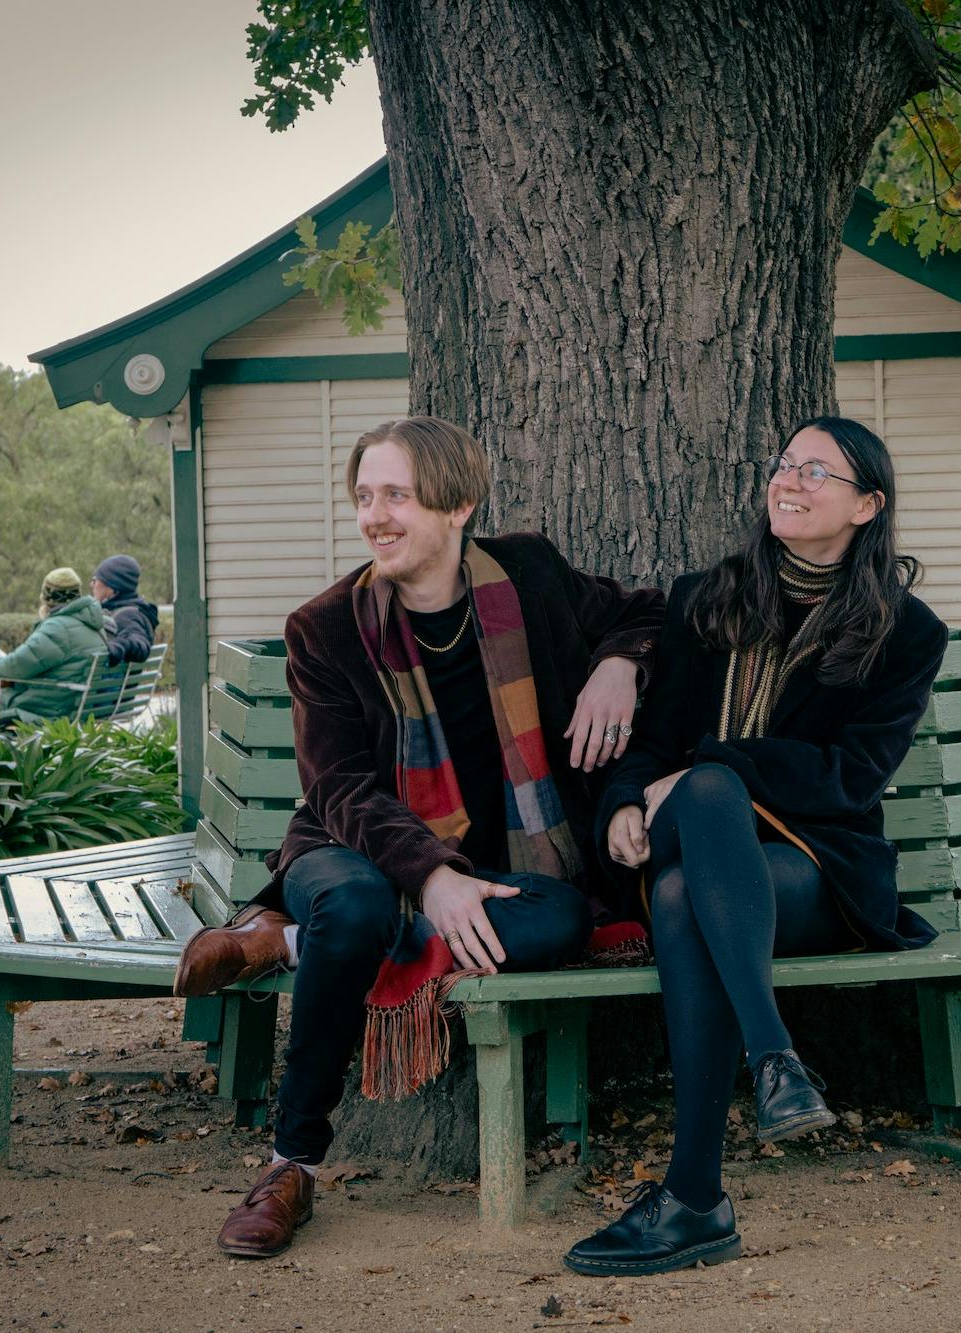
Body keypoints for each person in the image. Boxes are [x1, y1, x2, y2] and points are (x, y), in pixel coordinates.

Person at [171, 416, 664, 1259]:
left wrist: (621, 661)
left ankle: (291, 943)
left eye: (396, 494)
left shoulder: (530, 575)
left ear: (458, 503)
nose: (375, 516)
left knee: (561, 919)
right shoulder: (325, 629)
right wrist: (432, 873)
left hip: (500, 866)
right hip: (348, 845)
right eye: (365, 497)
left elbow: (648, 613)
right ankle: (292, 1163)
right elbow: (338, 788)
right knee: (358, 901)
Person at [563, 416, 949, 1277]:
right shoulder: (708, 597)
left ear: (867, 505)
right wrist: (627, 796)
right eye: (784, 464)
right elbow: (655, 740)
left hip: (813, 868)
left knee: (679, 890)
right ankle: (776, 1058)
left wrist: (717, 766)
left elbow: (852, 777)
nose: (791, 480)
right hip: (682, 830)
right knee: (700, 799)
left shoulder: (904, 630)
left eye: (818, 471)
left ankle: (695, 1197)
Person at [0, 568, 110, 726]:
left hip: (41, 711)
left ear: (48, 598)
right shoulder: (94, 624)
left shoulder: (57, 628)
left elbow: (16, 665)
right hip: (67, 705)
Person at [92, 554, 158, 666]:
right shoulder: (133, 609)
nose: (91, 584)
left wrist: (119, 645)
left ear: (112, 587)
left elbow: (140, 644)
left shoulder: (126, 616)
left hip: (114, 683)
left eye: (95, 580)